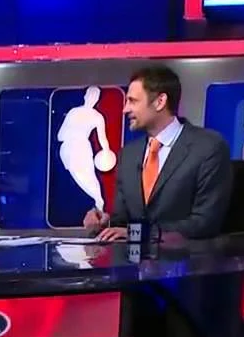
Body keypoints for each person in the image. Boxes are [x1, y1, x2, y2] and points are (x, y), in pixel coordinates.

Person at [85, 66, 232, 242]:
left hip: (186, 258)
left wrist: (144, 233)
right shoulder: (128, 155)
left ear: (160, 102)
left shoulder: (208, 147)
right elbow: (122, 225)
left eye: (133, 101)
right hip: (133, 259)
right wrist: (104, 224)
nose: (125, 109)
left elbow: (205, 223)